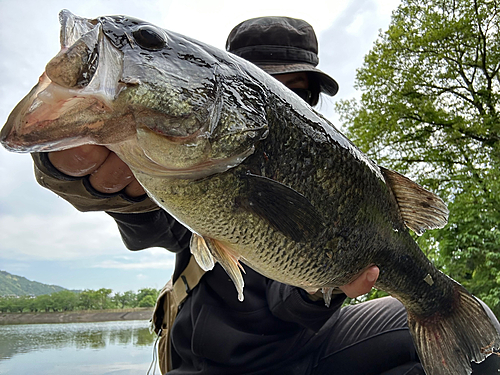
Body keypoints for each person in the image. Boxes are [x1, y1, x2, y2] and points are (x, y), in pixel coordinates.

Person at [31, 17, 499, 375]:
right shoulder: (185, 159)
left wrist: (326, 290)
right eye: (271, 86)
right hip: (217, 359)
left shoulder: (337, 176)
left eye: (303, 95)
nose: (291, 104)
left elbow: (289, 304)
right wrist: (79, 173)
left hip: (309, 342)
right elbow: (148, 221)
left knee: (469, 350)